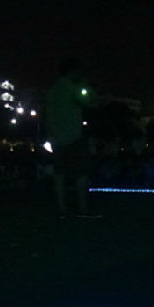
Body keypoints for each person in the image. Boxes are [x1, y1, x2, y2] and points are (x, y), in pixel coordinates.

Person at [44, 58, 100, 218]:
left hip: (56, 138)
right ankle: (82, 209)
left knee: (59, 174)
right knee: (81, 173)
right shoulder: (73, 88)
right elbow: (92, 102)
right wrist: (85, 85)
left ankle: (62, 209)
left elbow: (46, 115)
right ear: (73, 71)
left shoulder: (52, 91)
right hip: (73, 136)